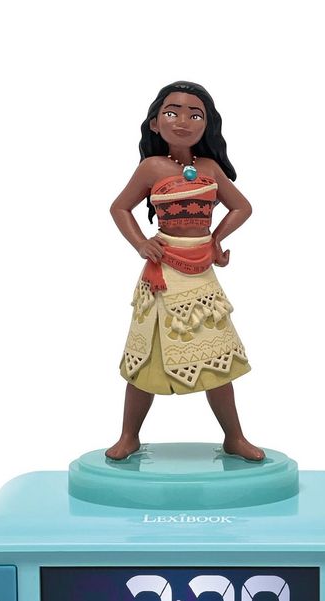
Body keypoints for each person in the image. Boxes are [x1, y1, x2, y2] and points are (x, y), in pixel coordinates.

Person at [106, 81, 264, 462]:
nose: (182, 121)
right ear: (155, 123)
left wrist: (216, 240)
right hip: (162, 272)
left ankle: (234, 436)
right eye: (171, 112)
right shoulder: (151, 168)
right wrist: (141, 243)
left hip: (201, 273)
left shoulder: (209, 169)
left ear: (206, 125)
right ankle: (129, 435)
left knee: (217, 357)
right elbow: (119, 208)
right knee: (145, 361)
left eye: (195, 115)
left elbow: (241, 206)